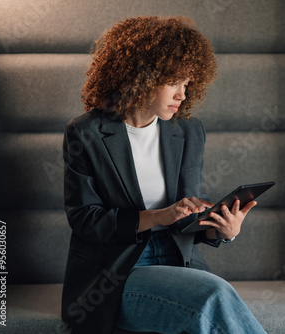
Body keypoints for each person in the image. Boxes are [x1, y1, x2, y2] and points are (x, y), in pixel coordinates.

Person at [61, 16, 266, 334]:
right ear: (140, 76)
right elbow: (86, 220)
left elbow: (185, 222)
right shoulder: (86, 132)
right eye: (174, 82)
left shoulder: (188, 131)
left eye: (187, 84)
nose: (183, 95)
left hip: (179, 265)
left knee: (211, 297)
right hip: (116, 276)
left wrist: (221, 231)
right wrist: (158, 217)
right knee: (213, 295)